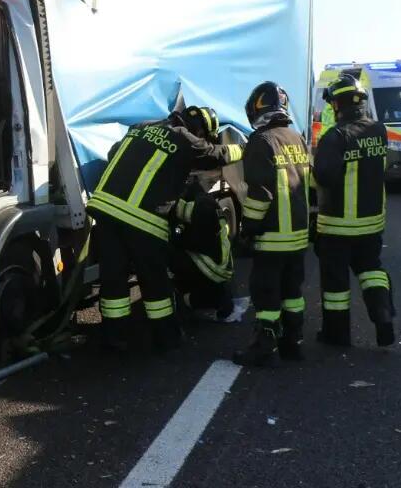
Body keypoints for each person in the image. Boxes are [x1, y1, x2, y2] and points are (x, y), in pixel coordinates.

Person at [88, 106, 242, 352]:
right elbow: (216, 155)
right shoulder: (183, 138)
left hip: (104, 209)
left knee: (113, 279)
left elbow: (114, 151)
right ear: (199, 130)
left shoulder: (140, 127)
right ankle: (166, 339)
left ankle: (114, 337)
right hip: (142, 220)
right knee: (154, 282)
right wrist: (244, 148)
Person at [312, 73, 395, 347]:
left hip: (337, 226)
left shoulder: (335, 137)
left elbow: (324, 177)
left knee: (336, 284)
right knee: (371, 270)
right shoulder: (378, 130)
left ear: (337, 105)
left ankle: (337, 336)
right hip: (371, 223)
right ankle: (383, 317)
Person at [233, 82, 311, 366]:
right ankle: (294, 343)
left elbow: (259, 194)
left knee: (266, 293)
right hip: (298, 236)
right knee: (293, 293)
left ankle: (264, 348)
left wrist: (247, 228)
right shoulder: (296, 137)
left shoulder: (261, 140)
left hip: (273, 236)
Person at [168, 184, 236, 320]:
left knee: (170, 255)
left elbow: (196, 242)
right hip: (220, 264)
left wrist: (175, 238)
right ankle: (217, 296)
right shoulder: (206, 203)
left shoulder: (200, 209)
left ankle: (195, 300)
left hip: (212, 266)